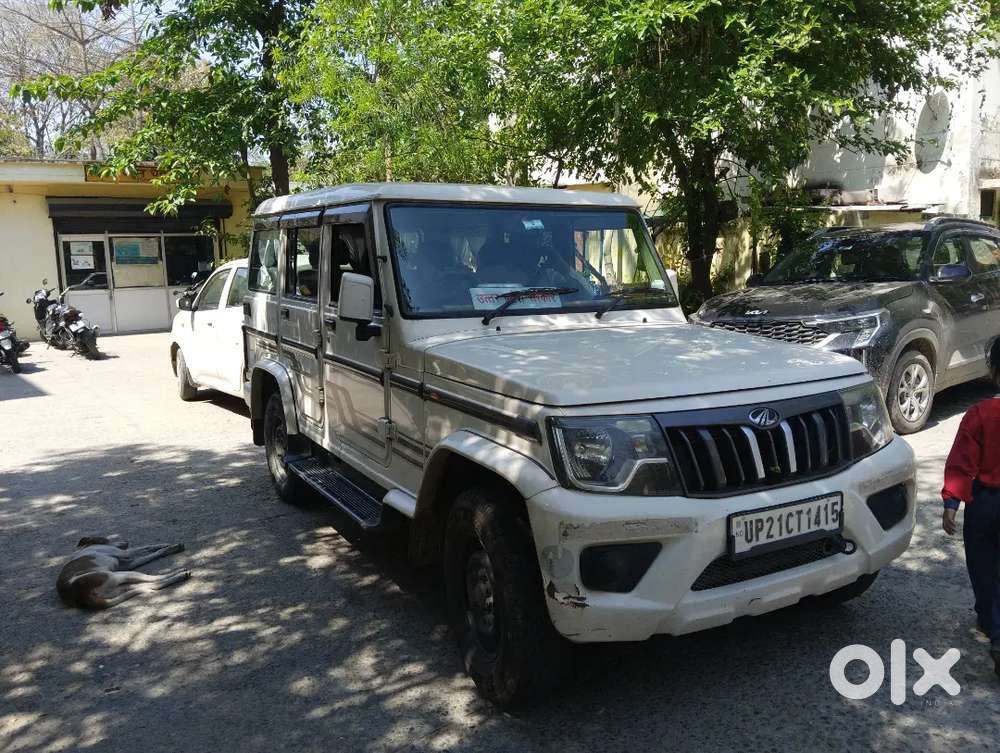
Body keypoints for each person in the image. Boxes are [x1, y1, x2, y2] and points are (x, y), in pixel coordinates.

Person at [942, 338, 1000, 679]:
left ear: (994, 372)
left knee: (983, 565)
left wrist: (952, 503)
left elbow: (962, 463)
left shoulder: (980, 415)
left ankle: (989, 620)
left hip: (985, 504)